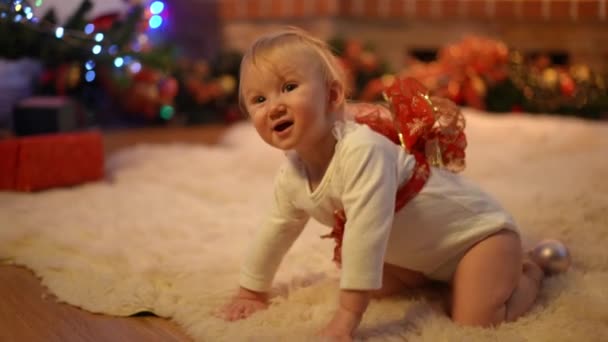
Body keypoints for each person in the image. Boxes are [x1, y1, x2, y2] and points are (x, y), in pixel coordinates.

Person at [218, 27, 545, 340]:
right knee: (367, 277)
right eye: (258, 99)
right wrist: (252, 291)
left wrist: (346, 318)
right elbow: (275, 229)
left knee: (476, 321)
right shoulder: (293, 173)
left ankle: (531, 270)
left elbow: (366, 232)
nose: (274, 106)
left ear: (332, 96)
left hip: (478, 238)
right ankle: (442, 277)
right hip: (425, 251)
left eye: (289, 87)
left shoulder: (363, 150)